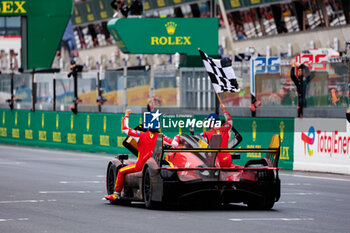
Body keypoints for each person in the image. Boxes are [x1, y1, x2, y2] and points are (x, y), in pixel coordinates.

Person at [104, 109, 179, 201]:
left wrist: (126, 115)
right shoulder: (162, 136)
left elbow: (125, 129)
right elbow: (175, 143)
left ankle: (116, 194)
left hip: (140, 166)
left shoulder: (140, 135)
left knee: (121, 171)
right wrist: (177, 136)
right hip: (155, 166)